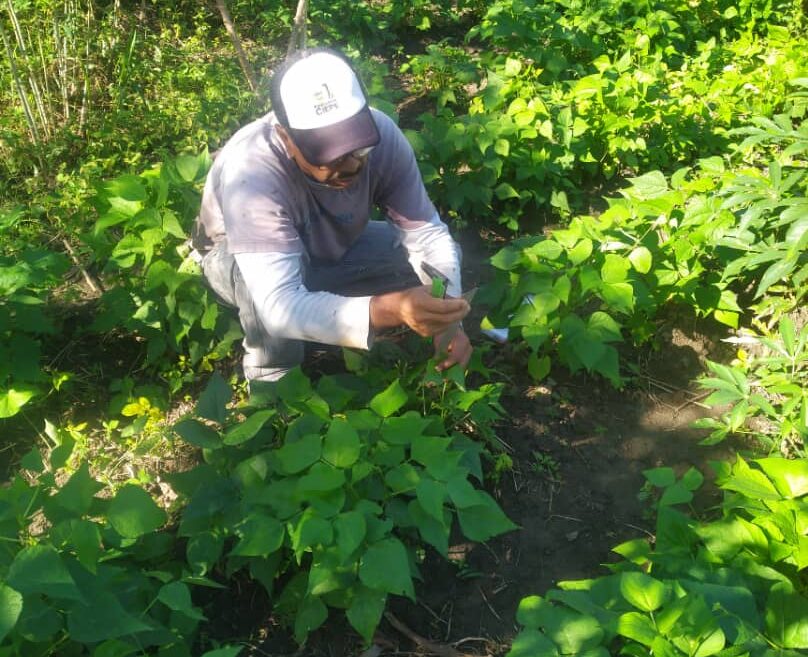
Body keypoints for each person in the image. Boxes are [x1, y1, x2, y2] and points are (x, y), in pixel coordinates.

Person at [191, 47, 471, 383]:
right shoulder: (252, 171)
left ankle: (345, 318)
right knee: (262, 293)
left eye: (358, 145)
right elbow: (278, 307)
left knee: (437, 261)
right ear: (285, 136)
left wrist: (448, 320)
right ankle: (273, 380)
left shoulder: (384, 136)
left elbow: (427, 236)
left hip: (332, 245)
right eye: (330, 154)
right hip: (237, 260)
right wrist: (390, 309)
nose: (352, 164)